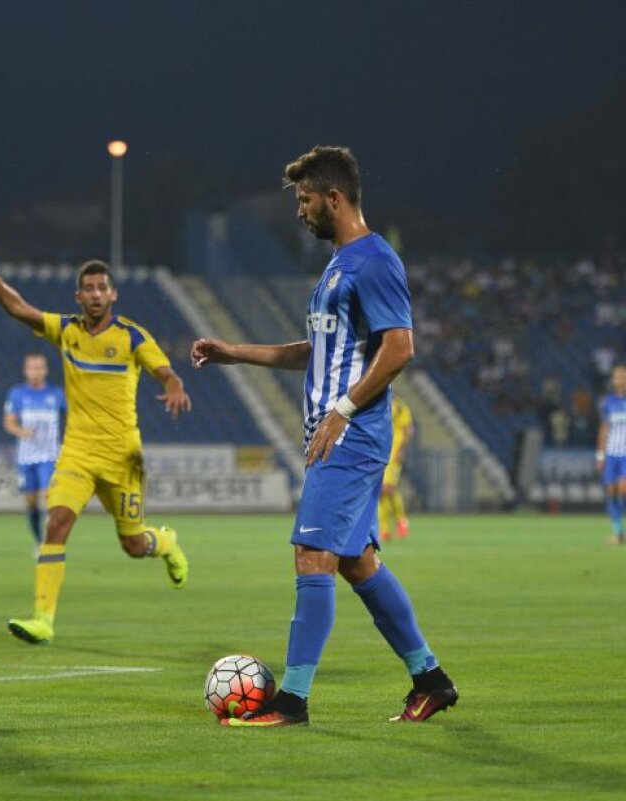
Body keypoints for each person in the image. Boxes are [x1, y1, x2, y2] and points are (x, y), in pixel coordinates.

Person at [191, 145, 457, 727]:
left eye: (306, 199)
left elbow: (400, 347)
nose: (300, 211)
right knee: (356, 563)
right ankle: (431, 680)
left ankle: (292, 702)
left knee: (311, 554)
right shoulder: (338, 267)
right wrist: (236, 352)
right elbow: (317, 352)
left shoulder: (375, 260)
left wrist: (341, 408)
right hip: (334, 432)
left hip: (352, 434)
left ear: (333, 198)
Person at [0, 246, 191, 645]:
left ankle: (167, 542)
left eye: (102, 287)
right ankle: (43, 619)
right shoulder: (66, 330)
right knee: (57, 523)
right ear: (78, 297)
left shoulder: (131, 336)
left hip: (123, 457)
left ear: (113, 295)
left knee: (134, 545)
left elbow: (164, 370)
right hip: (78, 453)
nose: (95, 294)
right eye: (88, 288)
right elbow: (20, 310)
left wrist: (173, 385)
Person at [3, 353, 65, 550]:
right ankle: (39, 540)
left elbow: (74, 416)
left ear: (46, 370)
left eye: (39, 367)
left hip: (49, 455)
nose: (35, 371)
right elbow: (9, 423)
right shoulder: (18, 394)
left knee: (49, 496)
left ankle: (49, 542)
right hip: (26, 456)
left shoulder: (56, 394)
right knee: (31, 501)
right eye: (32, 368)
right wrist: (22, 431)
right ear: (25, 371)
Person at [378, 394, 414, 541]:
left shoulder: (399, 406)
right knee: (379, 491)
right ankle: (384, 530)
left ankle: (401, 519)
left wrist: (402, 449)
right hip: (380, 451)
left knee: (387, 488)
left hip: (393, 452)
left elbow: (409, 429)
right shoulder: (377, 405)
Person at [597, 365, 626, 546]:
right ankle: (618, 533)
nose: (620, 378)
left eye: (622, 375)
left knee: (623, 488)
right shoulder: (608, 402)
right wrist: (600, 455)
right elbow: (604, 429)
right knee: (610, 491)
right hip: (611, 454)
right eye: (617, 376)